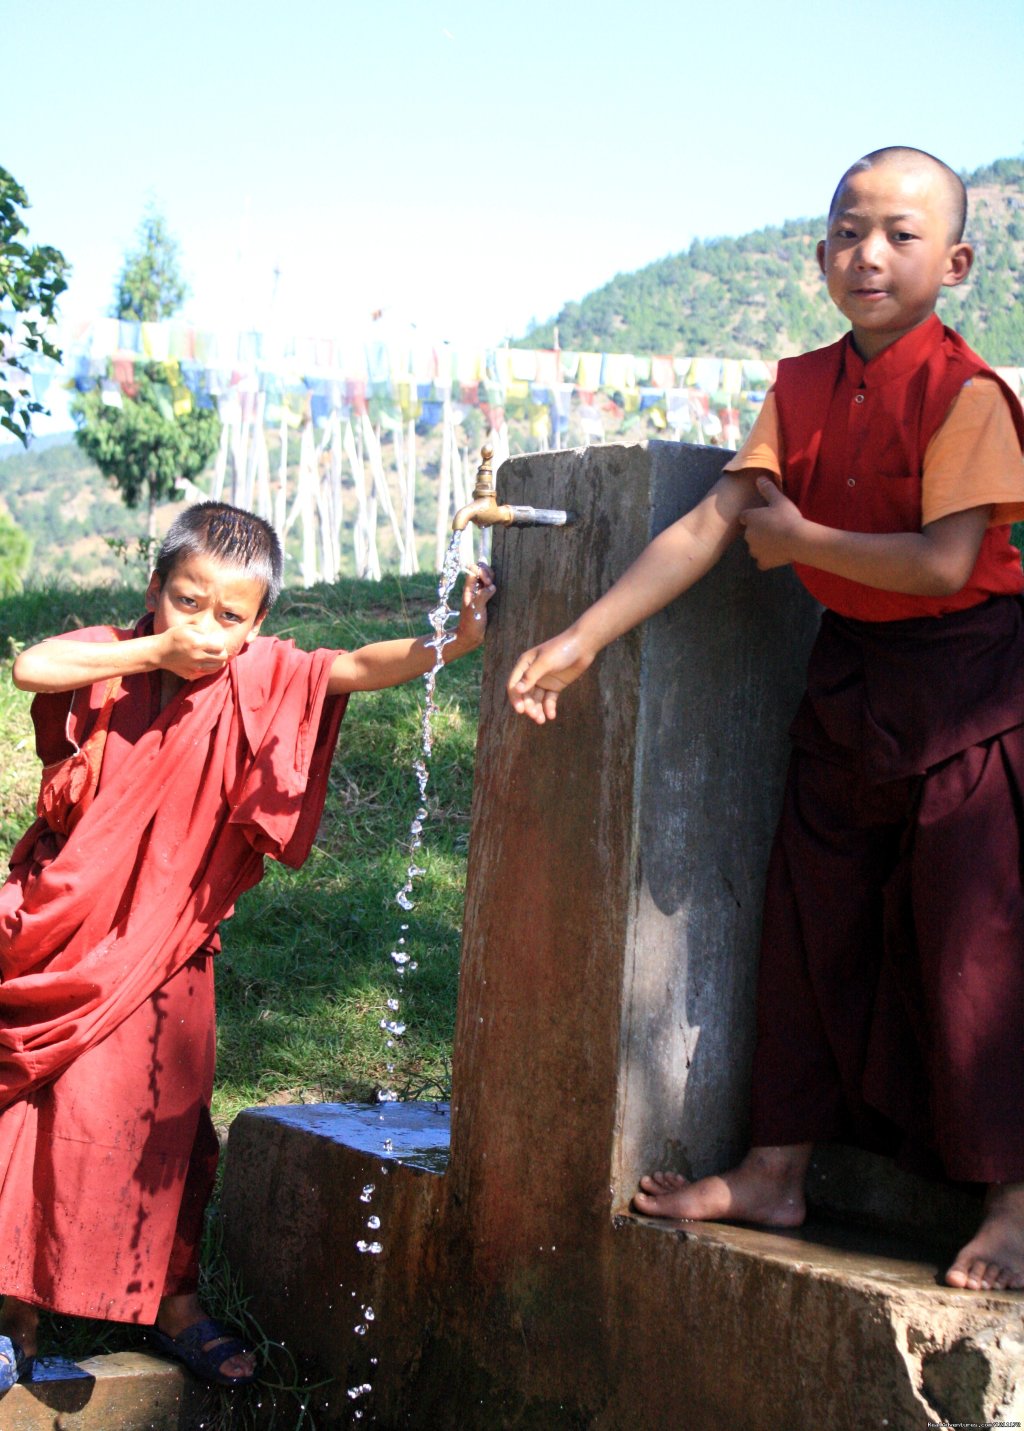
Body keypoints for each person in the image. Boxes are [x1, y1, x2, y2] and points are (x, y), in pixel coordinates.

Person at [507, 146, 1024, 1293]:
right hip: (851, 677)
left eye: (899, 234)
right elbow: (707, 526)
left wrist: (802, 548)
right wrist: (585, 637)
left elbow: (944, 565)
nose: (868, 254)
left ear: (957, 261)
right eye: (847, 231)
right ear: (818, 253)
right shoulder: (801, 388)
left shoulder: (969, 395)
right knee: (806, 923)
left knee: (973, 953)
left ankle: (1014, 1203)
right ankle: (775, 1169)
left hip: (970, 686)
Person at [0, 501, 495, 1388]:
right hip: (64, 928)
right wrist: (151, 650)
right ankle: (14, 1309)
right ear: (155, 591)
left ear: (259, 621)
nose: (205, 627)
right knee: (34, 1115)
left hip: (168, 940)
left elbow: (352, 668)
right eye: (187, 602)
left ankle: (171, 1299)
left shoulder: (262, 674)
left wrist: (452, 642)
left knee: (170, 1120)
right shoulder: (118, 653)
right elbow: (33, 665)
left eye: (231, 616)